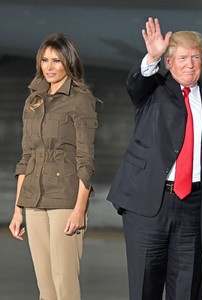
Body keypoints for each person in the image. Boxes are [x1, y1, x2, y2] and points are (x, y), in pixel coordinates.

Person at [107, 17, 202, 300]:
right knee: (145, 289)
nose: (190, 63)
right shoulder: (153, 91)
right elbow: (136, 84)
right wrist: (151, 55)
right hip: (149, 205)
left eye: (195, 57)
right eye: (182, 58)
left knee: (187, 291)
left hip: (194, 208)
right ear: (168, 62)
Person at [9, 33, 98, 300]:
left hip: (65, 201)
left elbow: (86, 161)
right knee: (45, 287)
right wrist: (17, 210)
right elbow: (26, 158)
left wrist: (79, 209)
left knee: (65, 285)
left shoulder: (81, 100)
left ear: (68, 63)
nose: (49, 66)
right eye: (45, 60)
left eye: (56, 60)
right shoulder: (33, 101)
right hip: (34, 199)